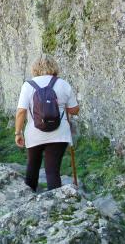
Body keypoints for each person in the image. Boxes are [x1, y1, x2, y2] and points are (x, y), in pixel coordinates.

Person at [15, 55, 80, 192]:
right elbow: (75, 110)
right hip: (59, 133)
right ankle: (55, 206)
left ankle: (28, 199)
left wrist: (18, 133)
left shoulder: (28, 86)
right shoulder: (63, 84)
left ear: (34, 69)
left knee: (32, 167)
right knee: (52, 171)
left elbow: (21, 112)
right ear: (54, 67)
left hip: (34, 133)